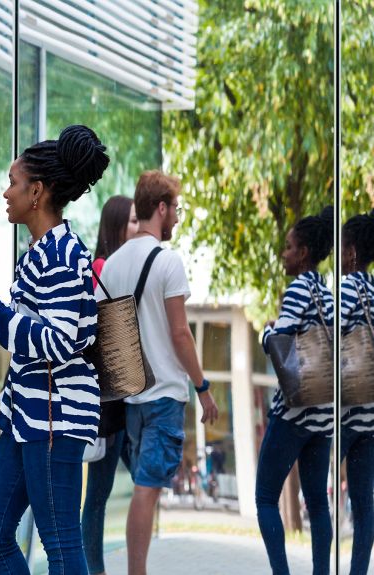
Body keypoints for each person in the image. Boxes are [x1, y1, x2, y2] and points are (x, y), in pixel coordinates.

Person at [0, 125, 109, 574]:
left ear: (38, 191)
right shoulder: (41, 251)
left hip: (55, 416)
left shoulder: (62, 254)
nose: (6, 192)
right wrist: (1, 309)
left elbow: (61, 340)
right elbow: (42, 326)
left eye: (13, 182)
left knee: (62, 545)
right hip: (28, 415)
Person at [97, 170, 218, 575]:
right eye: (176, 210)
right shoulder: (168, 262)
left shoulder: (111, 266)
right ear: (161, 208)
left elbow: (106, 332)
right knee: (146, 493)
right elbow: (180, 333)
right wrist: (202, 386)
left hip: (132, 398)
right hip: (164, 394)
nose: (178, 218)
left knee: (143, 490)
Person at [258, 206, 334, 575]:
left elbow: (280, 344)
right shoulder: (328, 292)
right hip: (324, 413)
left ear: (303, 253)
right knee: (318, 503)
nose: (283, 253)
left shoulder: (298, 289)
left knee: (265, 497)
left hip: (293, 413)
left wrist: (265, 332)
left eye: (288, 247)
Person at [81, 195, 138, 575]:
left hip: (123, 398)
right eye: (132, 221)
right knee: (98, 497)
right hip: (110, 404)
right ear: (117, 225)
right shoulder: (103, 268)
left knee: (138, 481)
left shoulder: (121, 268)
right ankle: (94, 569)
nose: (137, 227)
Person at [340, 210, 374, 575]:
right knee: (365, 507)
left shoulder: (347, 289)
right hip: (371, 415)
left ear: (350, 252)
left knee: (321, 495)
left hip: (346, 410)